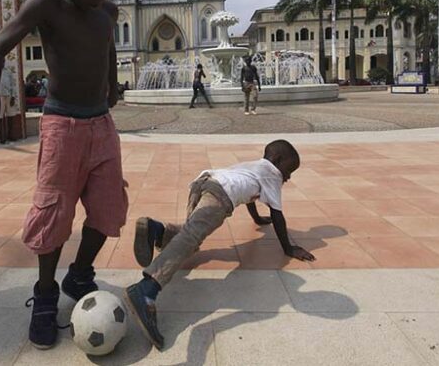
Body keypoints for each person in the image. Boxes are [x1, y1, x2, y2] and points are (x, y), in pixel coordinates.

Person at [0, 0, 127, 350]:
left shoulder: (108, 11)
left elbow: (106, 50)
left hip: (101, 124)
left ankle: (81, 272)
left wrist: (112, 83)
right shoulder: (49, 5)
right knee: (53, 212)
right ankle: (47, 294)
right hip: (61, 124)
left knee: (109, 208)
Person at [123, 139, 314, 350]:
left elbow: (251, 197)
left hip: (205, 181)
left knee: (189, 239)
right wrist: (289, 248)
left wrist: (258, 219)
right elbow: (278, 215)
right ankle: (146, 291)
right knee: (190, 238)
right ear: (277, 161)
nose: (288, 176)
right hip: (220, 196)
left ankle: (156, 231)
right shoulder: (273, 174)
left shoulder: (254, 166)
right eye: (289, 170)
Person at [0, 66, 15, 144]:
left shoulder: (8, 71)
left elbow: (12, 84)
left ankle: (11, 135)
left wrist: (13, 96)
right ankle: (2, 136)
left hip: (9, 95)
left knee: (10, 115)